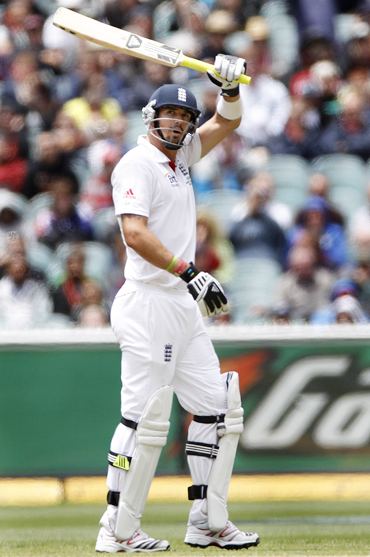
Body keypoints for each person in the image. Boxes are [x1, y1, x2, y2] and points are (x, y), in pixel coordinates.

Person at [95, 55, 260, 553]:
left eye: (187, 119)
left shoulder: (182, 157)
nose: (181, 125)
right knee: (144, 419)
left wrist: (227, 88)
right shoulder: (136, 163)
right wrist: (188, 271)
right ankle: (117, 530)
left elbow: (228, 121)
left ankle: (207, 521)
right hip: (148, 301)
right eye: (173, 116)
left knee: (217, 408)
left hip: (182, 305)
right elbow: (134, 233)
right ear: (152, 117)